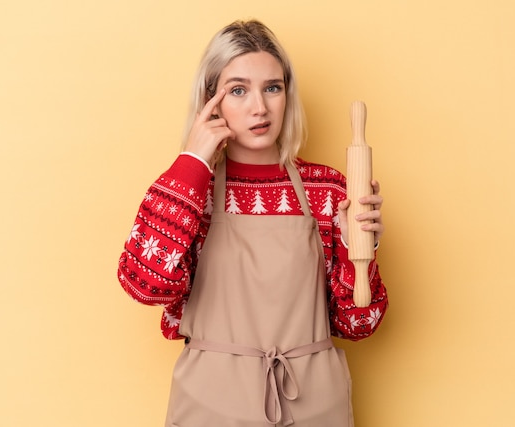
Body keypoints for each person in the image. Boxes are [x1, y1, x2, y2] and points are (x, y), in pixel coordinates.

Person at [117, 19, 388, 427]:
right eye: (238, 90)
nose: (259, 107)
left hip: (315, 406)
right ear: (211, 102)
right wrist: (193, 162)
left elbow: (360, 323)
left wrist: (355, 252)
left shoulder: (329, 189)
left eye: (272, 88)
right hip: (210, 408)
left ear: (287, 95)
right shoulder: (192, 191)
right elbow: (143, 283)